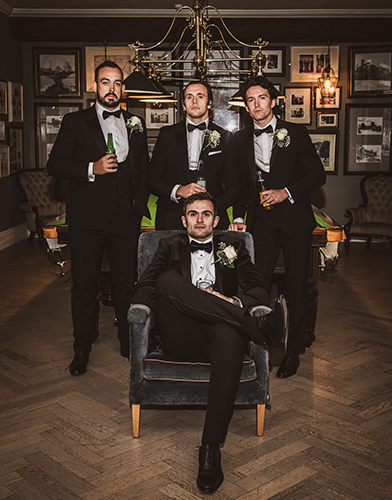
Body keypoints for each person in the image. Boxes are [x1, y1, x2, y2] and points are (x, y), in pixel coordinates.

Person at [132, 192, 287, 494]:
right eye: (193, 214)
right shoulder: (168, 245)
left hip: (222, 330)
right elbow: (143, 289)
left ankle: (210, 449)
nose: (200, 219)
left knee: (229, 338)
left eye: (206, 214)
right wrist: (185, 299)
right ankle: (259, 328)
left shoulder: (234, 246)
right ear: (184, 220)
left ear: (216, 220)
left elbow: (258, 290)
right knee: (166, 281)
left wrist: (229, 301)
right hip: (181, 335)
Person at [47, 60, 150, 376]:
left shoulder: (135, 122)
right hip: (87, 220)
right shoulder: (75, 122)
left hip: (125, 219)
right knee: (84, 287)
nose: (112, 88)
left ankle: (128, 342)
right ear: (95, 86)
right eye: (106, 82)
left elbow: (142, 169)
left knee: (126, 284)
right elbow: (55, 164)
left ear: (123, 88)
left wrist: (138, 204)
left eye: (117, 83)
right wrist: (92, 168)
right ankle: (81, 348)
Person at [229, 75, 326, 379]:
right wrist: (239, 217)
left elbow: (317, 175)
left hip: (295, 219)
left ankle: (293, 351)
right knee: (256, 286)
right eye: (250, 100)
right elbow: (239, 186)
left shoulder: (295, 133)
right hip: (262, 222)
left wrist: (286, 192)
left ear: (273, 101)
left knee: (297, 287)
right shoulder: (239, 139)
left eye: (261, 98)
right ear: (246, 106)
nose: (256, 104)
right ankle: (256, 346)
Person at [146, 81, 242, 230]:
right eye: (189, 97)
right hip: (171, 218)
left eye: (200, 96)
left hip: (212, 221)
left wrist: (211, 206)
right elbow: (152, 180)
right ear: (184, 105)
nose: (195, 101)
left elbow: (235, 187)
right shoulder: (167, 135)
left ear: (209, 103)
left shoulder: (226, 138)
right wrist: (178, 190)